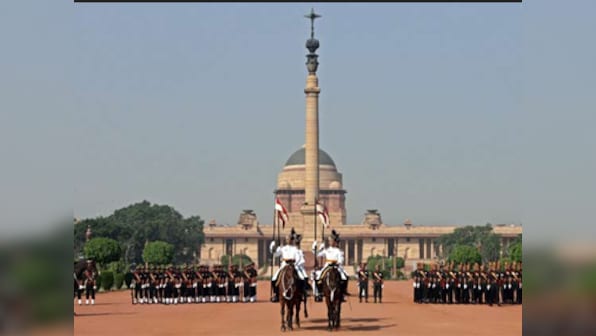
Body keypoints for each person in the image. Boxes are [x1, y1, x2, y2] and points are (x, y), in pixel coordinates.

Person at [315, 230, 349, 301]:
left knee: (344, 277)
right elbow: (318, 254)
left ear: (335, 242)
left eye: (331, 241)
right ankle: (319, 292)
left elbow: (341, 259)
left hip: (337, 266)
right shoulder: (327, 250)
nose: (330, 242)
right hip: (328, 265)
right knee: (318, 277)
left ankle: (343, 293)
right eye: (329, 241)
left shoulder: (339, 251)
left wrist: (338, 263)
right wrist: (318, 248)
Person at [270, 231, 300, 302]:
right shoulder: (282, 248)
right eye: (286, 239)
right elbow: (276, 254)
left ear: (291, 240)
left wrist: (296, 263)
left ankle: (300, 293)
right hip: (284, 264)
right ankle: (276, 294)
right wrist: (273, 248)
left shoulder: (295, 249)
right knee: (274, 279)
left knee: (300, 277)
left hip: (293, 265)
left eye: (289, 239)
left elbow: (298, 257)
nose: (288, 240)